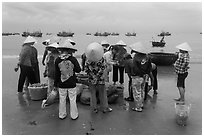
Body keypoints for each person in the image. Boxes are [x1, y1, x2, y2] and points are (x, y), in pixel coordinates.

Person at [54, 39, 81, 120]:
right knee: (72, 99)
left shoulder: (58, 60)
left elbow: (57, 74)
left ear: (61, 50)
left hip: (61, 83)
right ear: (70, 50)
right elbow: (78, 70)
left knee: (62, 99)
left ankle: (62, 115)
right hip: (72, 83)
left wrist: (55, 84)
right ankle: (74, 115)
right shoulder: (73, 59)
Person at [84, 42, 112, 113]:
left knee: (92, 94)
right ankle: (105, 108)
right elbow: (103, 69)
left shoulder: (88, 61)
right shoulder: (101, 60)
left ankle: (94, 108)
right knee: (102, 94)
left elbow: (86, 70)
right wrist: (98, 76)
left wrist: (92, 76)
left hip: (91, 79)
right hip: (100, 79)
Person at [130, 42, 153, 112]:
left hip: (137, 76)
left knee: (136, 92)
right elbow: (150, 67)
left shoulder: (136, 57)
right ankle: (141, 104)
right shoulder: (147, 57)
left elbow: (135, 68)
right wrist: (146, 74)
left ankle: (138, 107)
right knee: (142, 91)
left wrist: (138, 74)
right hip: (145, 76)